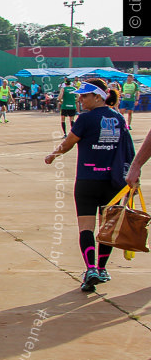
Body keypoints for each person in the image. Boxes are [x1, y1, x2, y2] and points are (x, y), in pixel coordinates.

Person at [44, 79, 133, 292]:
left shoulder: (85, 119)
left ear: (97, 96)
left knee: (86, 227)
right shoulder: (119, 118)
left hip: (87, 180)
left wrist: (52, 155)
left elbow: (68, 143)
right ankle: (101, 269)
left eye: (84, 96)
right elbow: (128, 149)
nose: (80, 99)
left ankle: (91, 268)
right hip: (112, 183)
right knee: (107, 228)